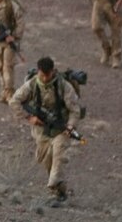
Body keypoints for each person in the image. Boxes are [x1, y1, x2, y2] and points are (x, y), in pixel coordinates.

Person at [9, 56, 83, 205]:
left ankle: (53, 188)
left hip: (61, 129)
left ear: (53, 72)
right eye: (41, 75)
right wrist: (29, 117)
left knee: (58, 155)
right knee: (46, 159)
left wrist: (70, 126)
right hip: (41, 130)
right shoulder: (31, 84)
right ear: (38, 72)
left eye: (47, 75)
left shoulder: (64, 86)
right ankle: (60, 190)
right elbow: (14, 101)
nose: (44, 78)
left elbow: (75, 110)